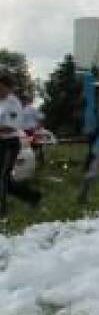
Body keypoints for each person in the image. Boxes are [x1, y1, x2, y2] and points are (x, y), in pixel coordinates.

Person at [0, 74, 42, 214]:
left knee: (3, 176)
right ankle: (33, 196)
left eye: (1, 88)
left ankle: (3, 210)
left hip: (9, 143)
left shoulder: (14, 103)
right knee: (5, 179)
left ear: (8, 88)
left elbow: (10, 127)